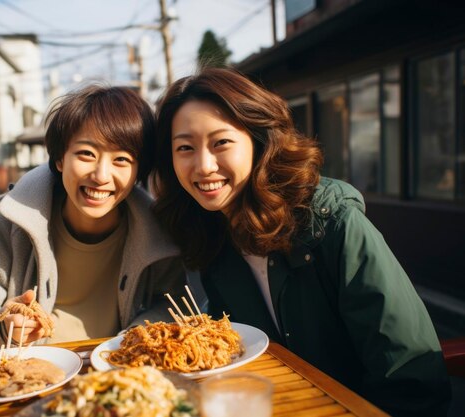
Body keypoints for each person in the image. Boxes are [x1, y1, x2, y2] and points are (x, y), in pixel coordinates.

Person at [152, 67, 450, 416]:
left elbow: (411, 374)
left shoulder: (331, 221)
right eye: (185, 148)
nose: (202, 166)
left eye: (221, 143)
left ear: (258, 141)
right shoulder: (210, 237)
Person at [0, 85, 186, 354]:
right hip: (28, 382)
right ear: (60, 158)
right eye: (87, 153)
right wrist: (2, 329)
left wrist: (133, 339)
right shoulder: (9, 221)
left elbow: (173, 307)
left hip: (118, 376)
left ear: (138, 171)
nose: (101, 175)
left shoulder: (156, 232)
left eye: (121, 159)